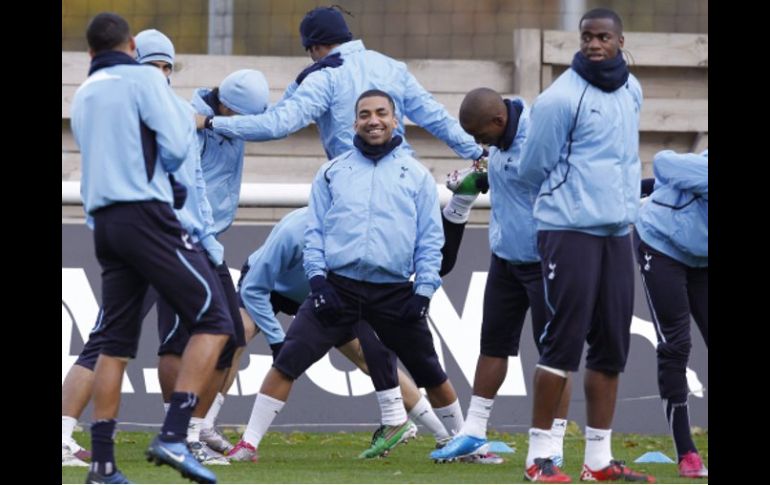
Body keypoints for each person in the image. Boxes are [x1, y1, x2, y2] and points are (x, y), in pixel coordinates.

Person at [229, 89, 458, 463]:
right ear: (355, 122)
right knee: (286, 362)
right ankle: (248, 444)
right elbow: (315, 230)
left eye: (381, 113)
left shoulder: (415, 175)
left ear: (395, 119)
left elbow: (431, 240)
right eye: (365, 114)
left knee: (429, 371)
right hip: (337, 290)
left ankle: (462, 442)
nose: (373, 120)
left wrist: (424, 291)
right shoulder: (333, 171)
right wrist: (318, 281)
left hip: (394, 291)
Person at [72, 13, 233, 483]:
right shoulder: (145, 80)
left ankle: (102, 463)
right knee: (216, 318)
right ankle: (175, 433)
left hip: (106, 226)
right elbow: (181, 141)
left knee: (114, 345)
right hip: (148, 216)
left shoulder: (85, 94)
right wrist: (176, 194)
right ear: (131, 46)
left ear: (89, 54)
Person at [196, 4, 488, 246]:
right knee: (427, 264)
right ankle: (457, 208)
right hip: (405, 179)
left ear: (316, 47)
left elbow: (277, 124)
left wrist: (211, 121)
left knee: (345, 273)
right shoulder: (391, 67)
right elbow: (436, 118)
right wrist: (476, 153)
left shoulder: (324, 77)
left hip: (354, 189)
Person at [517, 8, 654, 483]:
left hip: (617, 234)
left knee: (612, 348)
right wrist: (571, 200)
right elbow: (532, 166)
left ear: (620, 40)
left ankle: (598, 460)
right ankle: (540, 458)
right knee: (561, 345)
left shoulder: (632, 89)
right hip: (569, 232)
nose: (594, 45)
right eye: (587, 37)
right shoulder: (559, 99)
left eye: (603, 37)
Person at [225, 206, 461, 462]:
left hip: (336, 295)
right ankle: (205, 429)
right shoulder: (295, 229)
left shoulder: (370, 227)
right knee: (248, 341)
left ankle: (445, 437)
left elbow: (432, 257)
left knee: (375, 356)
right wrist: (276, 339)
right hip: (281, 288)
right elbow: (254, 287)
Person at [430, 88, 573, 466]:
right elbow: (499, 172)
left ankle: (553, 444)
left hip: (546, 263)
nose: (479, 144)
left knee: (553, 355)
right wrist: (477, 176)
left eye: (480, 137)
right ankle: (474, 431)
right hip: (505, 260)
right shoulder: (498, 130)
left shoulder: (539, 138)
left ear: (498, 122)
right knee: (493, 345)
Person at [634, 149, 708, 478]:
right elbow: (663, 161)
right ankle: (686, 452)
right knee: (676, 345)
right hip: (660, 243)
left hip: (701, 256)